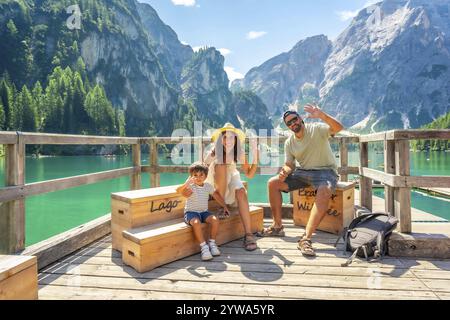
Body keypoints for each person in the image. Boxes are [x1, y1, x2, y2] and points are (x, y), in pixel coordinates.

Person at [261, 103, 344, 257]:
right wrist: (284, 172)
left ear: (300, 119)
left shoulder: (317, 129)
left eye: (295, 119)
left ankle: (305, 239)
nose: (293, 123)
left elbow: (339, 128)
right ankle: (277, 226)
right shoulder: (289, 142)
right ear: (288, 127)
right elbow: (289, 164)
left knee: (324, 189)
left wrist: (322, 116)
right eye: (289, 123)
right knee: (273, 183)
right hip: (304, 172)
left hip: (326, 172)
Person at [180, 123, 259, 251]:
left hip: (231, 176)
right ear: (220, 139)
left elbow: (249, 174)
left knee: (241, 192)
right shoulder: (213, 151)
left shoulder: (239, 152)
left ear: (236, 139)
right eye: (225, 137)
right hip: (214, 178)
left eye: (231, 137)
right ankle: (222, 207)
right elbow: (199, 169)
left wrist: (256, 157)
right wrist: (187, 184)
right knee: (221, 165)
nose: (228, 141)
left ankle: (248, 234)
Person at [176, 162, 230, 261]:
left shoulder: (207, 186)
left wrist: (225, 206)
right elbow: (178, 191)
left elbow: (217, 196)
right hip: (191, 213)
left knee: (214, 220)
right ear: (191, 176)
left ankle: (212, 243)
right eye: (195, 175)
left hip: (204, 212)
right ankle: (204, 247)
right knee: (196, 223)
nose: (198, 177)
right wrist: (187, 183)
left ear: (205, 176)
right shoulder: (190, 186)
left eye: (201, 175)